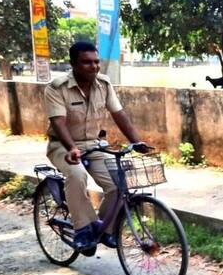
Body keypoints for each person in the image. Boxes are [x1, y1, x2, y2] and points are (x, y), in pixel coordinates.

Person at [44, 41, 148, 255]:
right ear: (73, 64)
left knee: (119, 184)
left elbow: (118, 113)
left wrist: (136, 141)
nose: (93, 67)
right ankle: (83, 229)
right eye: (86, 62)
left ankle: (104, 229)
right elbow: (58, 121)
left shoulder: (104, 84)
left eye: (96, 62)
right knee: (77, 175)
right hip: (63, 146)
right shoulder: (57, 87)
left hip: (94, 144)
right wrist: (71, 148)